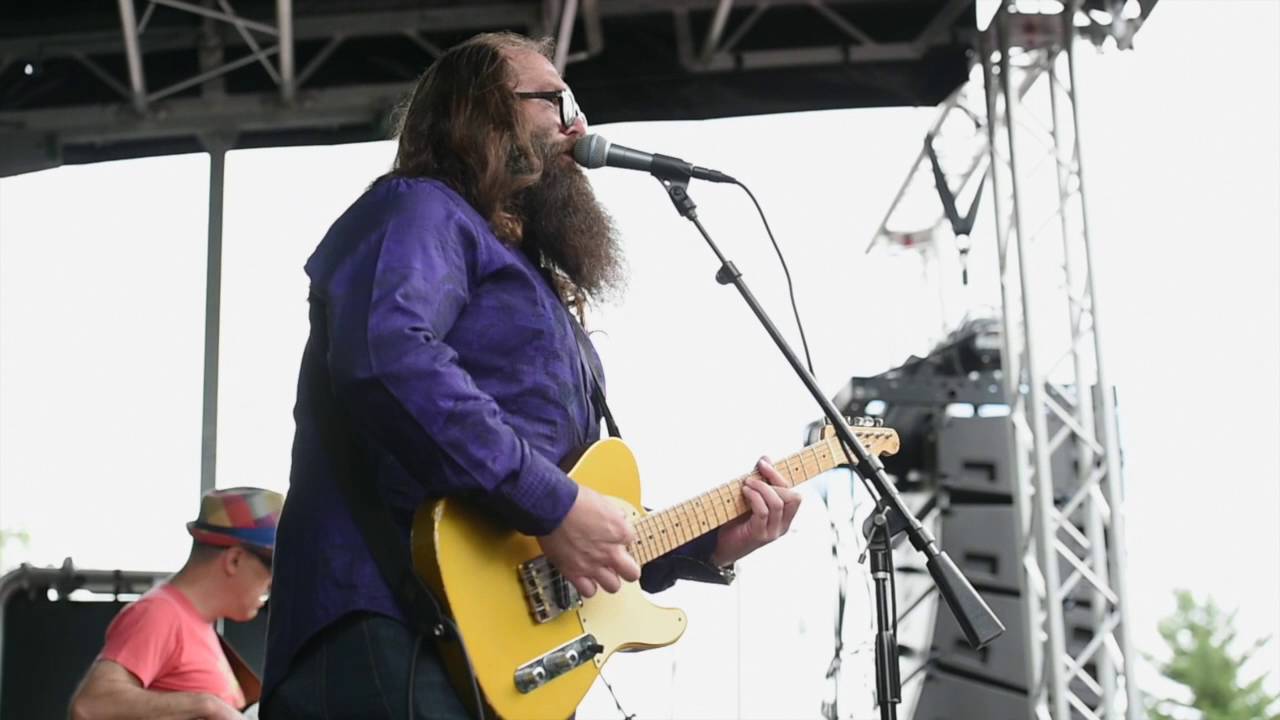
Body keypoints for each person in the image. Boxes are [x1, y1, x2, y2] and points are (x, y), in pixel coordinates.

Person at [261, 31, 802, 719]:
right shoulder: (417, 209)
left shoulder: (527, 277)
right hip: (387, 620)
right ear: (478, 112)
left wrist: (709, 544)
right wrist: (552, 503)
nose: (578, 123)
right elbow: (388, 356)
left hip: (493, 654)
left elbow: (556, 525)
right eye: (556, 100)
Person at [69, 486, 282, 720]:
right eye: (272, 567)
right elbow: (90, 706)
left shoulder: (197, 622)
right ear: (235, 559)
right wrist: (206, 705)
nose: (274, 584)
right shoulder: (159, 613)